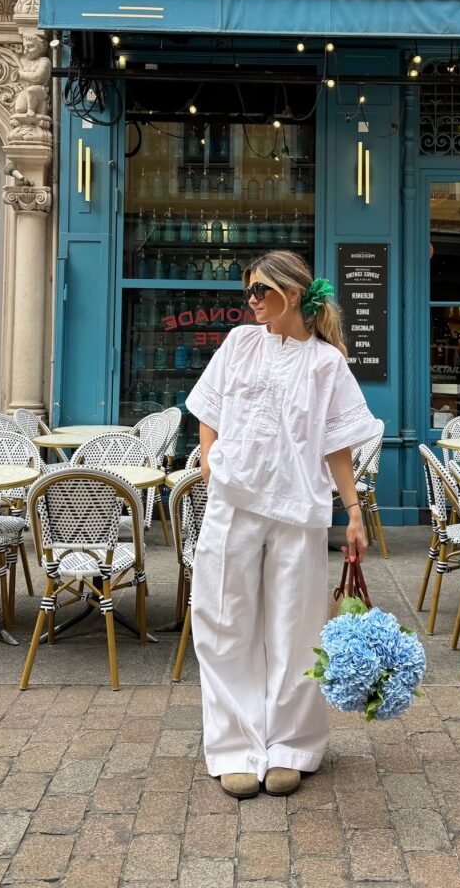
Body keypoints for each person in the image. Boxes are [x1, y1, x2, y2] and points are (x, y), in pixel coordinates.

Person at [186, 249, 379, 799]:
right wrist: (209, 462)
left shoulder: (326, 364)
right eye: (248, 291)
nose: (250, 302)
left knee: (295, 629)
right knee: (222, 620)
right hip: (234, 502)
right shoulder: (240, 344)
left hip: (298, 507)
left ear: (291, 294)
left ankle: (291, 745)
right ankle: (234, 747)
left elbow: (337, 443)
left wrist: (354, 512)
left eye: (258, 291)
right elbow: (210, 409)